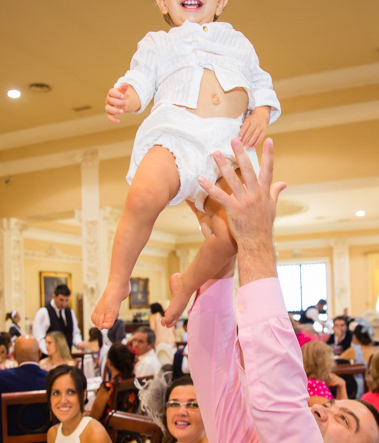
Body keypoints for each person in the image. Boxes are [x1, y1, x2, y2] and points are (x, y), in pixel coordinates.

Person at [151, 138, 379, 443]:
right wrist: (221, 258)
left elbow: (282, 408)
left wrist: (258, 243)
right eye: (331, 406)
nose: (325, 410)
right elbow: (214, 370)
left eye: (346, 419)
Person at [90, 0, 281, 332]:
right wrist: (126, 97)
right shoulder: (158, 42)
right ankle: (118, 282)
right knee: (143, 196)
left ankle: (187, 283)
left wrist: (261, 113)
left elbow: (262, 85)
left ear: (221, 2)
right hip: (176, 136)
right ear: (162, 2)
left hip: (226, 149)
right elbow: (139, 81)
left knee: (233, 233)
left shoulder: (238, 41)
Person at [33, 284, 86, 356]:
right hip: (49, 357)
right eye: (61, 300)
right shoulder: (43, 312)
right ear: (54, 296)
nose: (64, 304)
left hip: (66, 356)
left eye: (66, 300)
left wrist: (78, 343)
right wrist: (49, 352)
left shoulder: (70, 312)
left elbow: (74, 333)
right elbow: (38, 337)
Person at [90, 343, 138, 420]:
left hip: (108, 430)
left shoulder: (109, 387)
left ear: (109, 362)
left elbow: (93, 418)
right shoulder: (133, 382)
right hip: (130, 428)